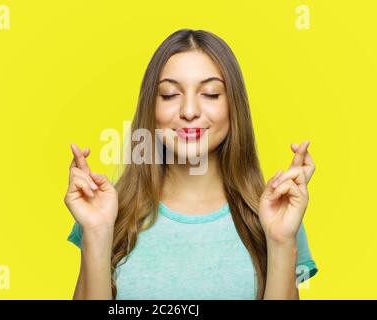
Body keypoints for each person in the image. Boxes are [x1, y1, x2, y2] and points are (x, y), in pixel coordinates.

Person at [64, 29, 318, 300]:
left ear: (234, 106)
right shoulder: (111, 212)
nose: (188, 111)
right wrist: (97, 233)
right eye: (170, 94)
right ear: (151, 107)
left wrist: (280, 241)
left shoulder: (275, 215)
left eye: (210, 94)